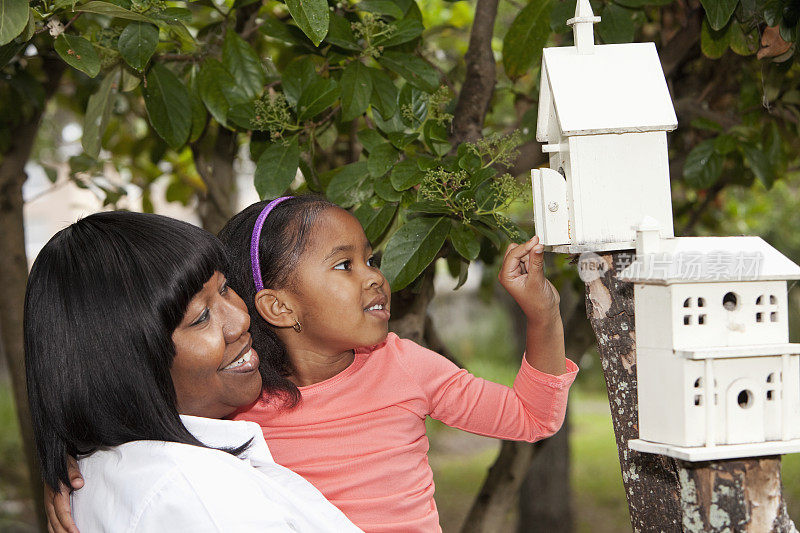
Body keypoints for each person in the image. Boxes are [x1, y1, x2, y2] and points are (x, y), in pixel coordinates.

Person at [50, 197, 578, 532]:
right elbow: (134, 417)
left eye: (371, 259)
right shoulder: (234, 396)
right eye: (344, 265)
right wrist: (73, 474)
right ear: (280, 306)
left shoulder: (405, 366)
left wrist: (544, 315)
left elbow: (533, 418)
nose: (375, 276)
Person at [28, 211, 360, 532]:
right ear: (127, 364)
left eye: (226, 287)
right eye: (201, 318)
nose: (241, 320)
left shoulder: (111, 470)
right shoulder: (203, 498)